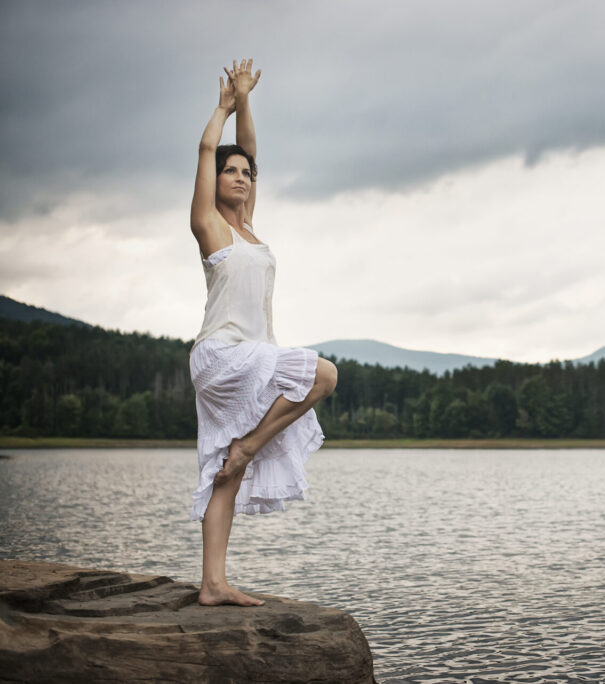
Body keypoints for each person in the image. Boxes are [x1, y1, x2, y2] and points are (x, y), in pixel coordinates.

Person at [188, 59, 338, 607]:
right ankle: (249, 446)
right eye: (232, 173)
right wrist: (224, 108)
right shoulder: (210, 227)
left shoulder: (249, 226)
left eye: (247, 175)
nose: (242, 178)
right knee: (323, 374)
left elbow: (249, 153)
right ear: (216, 182)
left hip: (251, 354)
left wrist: (247, 101)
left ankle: (213, 584)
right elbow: (211, 151)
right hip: (222, 355)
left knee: (222, 472)